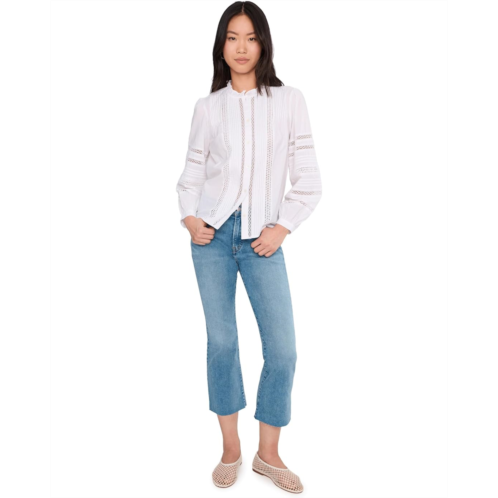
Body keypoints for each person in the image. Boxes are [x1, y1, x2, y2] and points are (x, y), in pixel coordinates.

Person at [175, 1, 322, 493]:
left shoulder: (289, 100)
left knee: (283, 349)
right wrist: (189, 217)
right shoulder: (208, 107)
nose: (242, 47)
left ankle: (268, 455)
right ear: (221, 45)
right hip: (212, 237)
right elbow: (192, 172)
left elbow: (309, 179)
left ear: (264, 43)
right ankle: (230, 450)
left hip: (263, 238)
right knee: (222, 344)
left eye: (251, 37)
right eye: (233, 37)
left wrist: (283, 228)